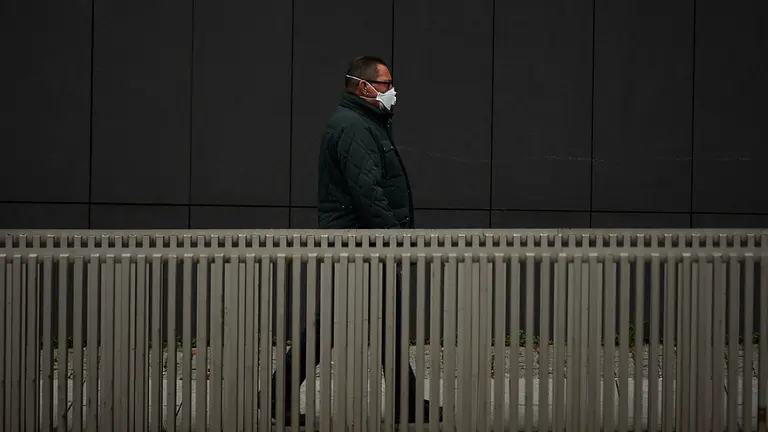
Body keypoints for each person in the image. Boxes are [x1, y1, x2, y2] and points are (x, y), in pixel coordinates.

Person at [267, 56, 442, 425]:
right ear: (364, 87)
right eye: (385, 83)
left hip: (363, 241)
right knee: (333, 323)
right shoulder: (355, 127)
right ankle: (274, 395)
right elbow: (368, 191)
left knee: (384, 322)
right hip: (360, 242)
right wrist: (396, 238)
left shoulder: (363, 123)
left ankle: (405, 400)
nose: (392, 91)